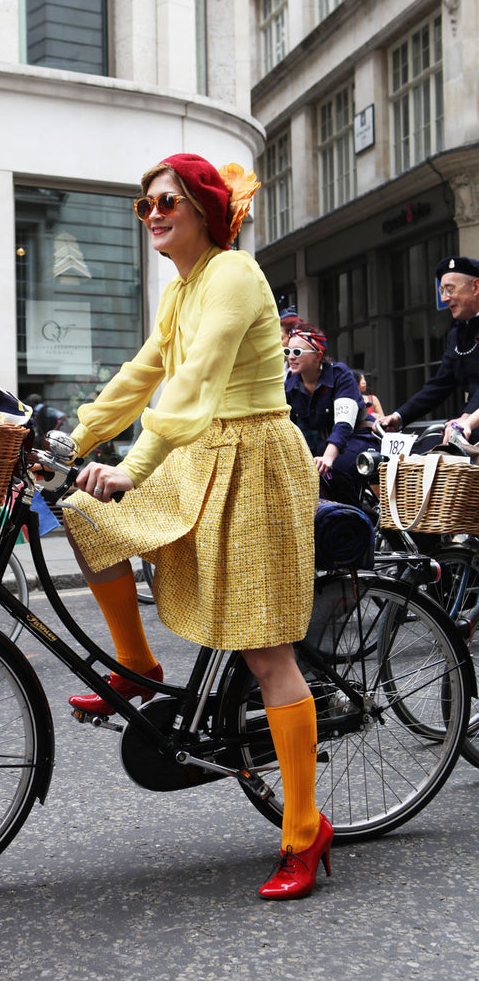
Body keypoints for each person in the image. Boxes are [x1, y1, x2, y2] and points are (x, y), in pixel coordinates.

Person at [60, 153, 330, 900]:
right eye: (145, 204)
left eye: (167, 202)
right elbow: (143, 373)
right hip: (200, 456)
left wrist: (132, 465)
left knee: (265, 652)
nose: (152, 214)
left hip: (254, 459)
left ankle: (304, 830)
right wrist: (72, 441)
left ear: (204, 211)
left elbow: (197, 377)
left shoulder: (233, 274)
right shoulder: (179, 290)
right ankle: (137, 664)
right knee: (83, 516)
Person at [379, 256, 479, 439]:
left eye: (450, 289)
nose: (444, 298)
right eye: (442, 290)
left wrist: (467, 417)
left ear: (476, 287)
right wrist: (400, 416)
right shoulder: (457, 334)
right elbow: (440, 384)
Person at [284, 326, 380, 501]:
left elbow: (344, 423)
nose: (290, 357)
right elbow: (286, 425)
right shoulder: (290, 385)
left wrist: (328, 457)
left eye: (297, 351)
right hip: (322, 444)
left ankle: (350, 514)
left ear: (318, 355)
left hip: (357, 437)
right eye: (287, 351)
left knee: (335, 469)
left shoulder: (339, 374)